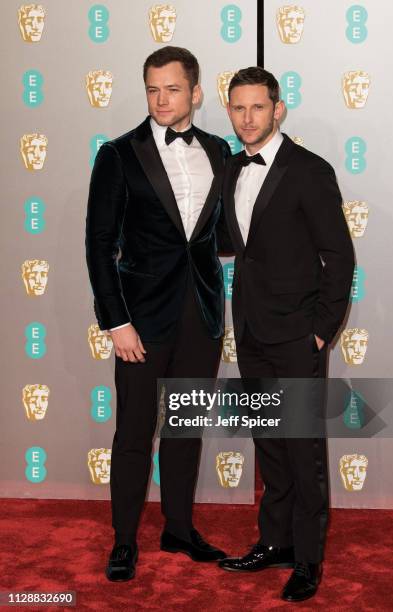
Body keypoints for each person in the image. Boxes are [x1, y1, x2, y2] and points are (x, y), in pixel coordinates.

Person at [85, 46, 231, 582]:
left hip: (202, 313)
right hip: (141, 320)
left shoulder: (219, 150)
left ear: (195, 92)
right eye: (152, 88)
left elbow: (224, 232)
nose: (161, 99)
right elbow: (99, 245)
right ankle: (124, 540)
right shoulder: (119, 154)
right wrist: (116, 321)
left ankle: (178, 528)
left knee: (185, 429)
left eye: (172, 89)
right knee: (133, 432)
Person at [218, 67, 355, 602]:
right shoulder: (230, 169)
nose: (247, 118)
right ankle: (273, 543)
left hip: (298, 336)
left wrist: (321, 331)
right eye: (237, 108)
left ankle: (308, 557)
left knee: (302, 449)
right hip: (249, 331)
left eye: (257, 107)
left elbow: (338, 255)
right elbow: (236, 246)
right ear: (229, 111)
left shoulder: (309, 170)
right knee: (268, 445)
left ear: (278, 109)